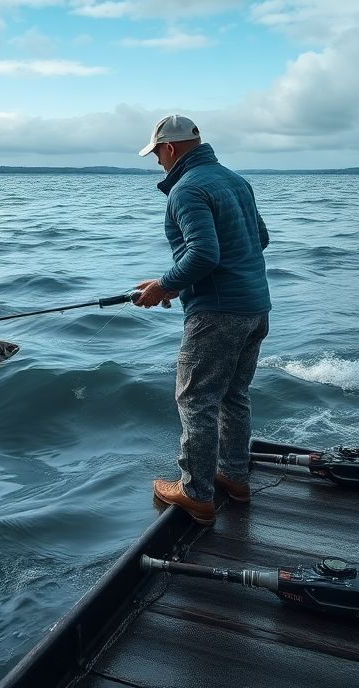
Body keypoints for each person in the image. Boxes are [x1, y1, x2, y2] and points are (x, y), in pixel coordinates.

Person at [133, 114, 270, 526]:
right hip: (255, 308)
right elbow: (259, 239)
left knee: (195, 399)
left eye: (156, 153)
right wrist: (174, 285)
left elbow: (204, 254)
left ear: (170, 148)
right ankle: (234, 474)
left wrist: (164, 284)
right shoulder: (235, 180)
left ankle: (196, 493)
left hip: (217, 314)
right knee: (233, 395)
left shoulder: (186, 189)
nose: (157, 162)